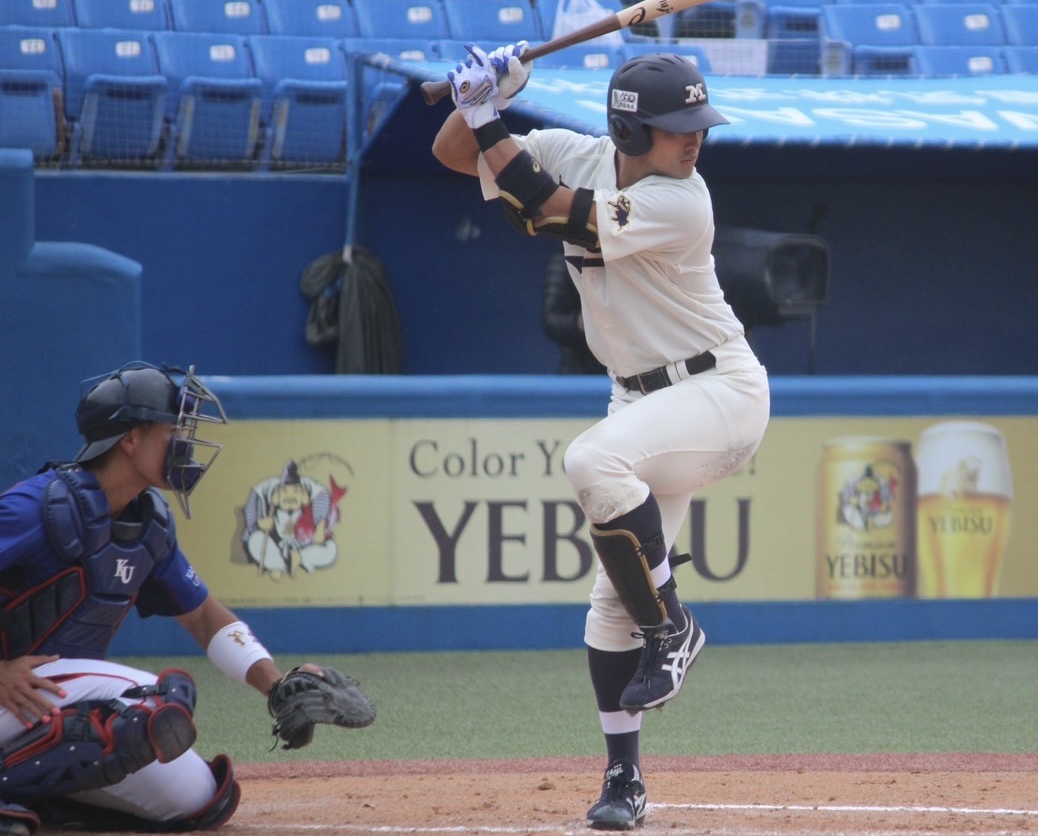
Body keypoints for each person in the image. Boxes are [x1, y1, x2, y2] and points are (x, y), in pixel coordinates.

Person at [431, 45, 770, 831]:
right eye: (677, 125)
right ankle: (624, 780)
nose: (695, 137)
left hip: (718, 393)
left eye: (698, 122)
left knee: (591, 459)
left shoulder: (684, 199)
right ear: (629, 129)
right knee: (613, 603)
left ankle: (674, 625)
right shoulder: (570, 151)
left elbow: (551, 211)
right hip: (639, 399)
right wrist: (482, 99)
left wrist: (488, 116)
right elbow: (454, 152)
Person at [0, 362, 370, 835]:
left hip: (38, 707)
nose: (184, 441)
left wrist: (276, 686)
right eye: (171, 429)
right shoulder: (38, 507)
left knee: (199, 797)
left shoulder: (146, 524)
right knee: (156, 702)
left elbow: (205, 619)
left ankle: (33, 795)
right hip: (11, 690)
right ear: (131, 439)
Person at [542, 253, 608, 375]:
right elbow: (550, 321)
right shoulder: (563, 262)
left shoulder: (619, 260)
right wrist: (580, 321)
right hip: (578, 367)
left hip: (619, 366)